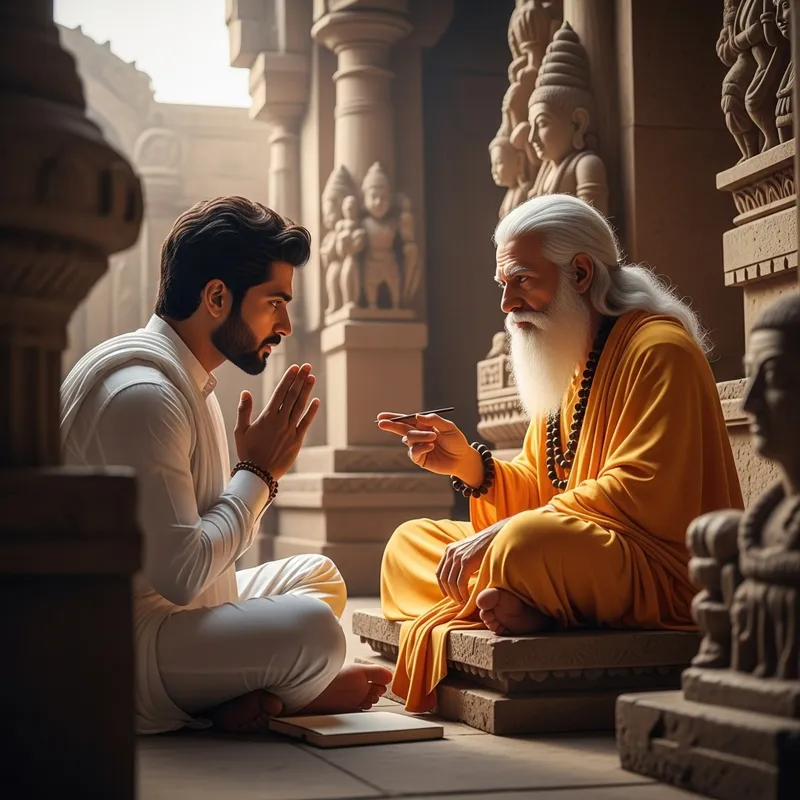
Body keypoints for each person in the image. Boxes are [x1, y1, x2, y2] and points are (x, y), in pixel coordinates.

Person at [377, 194, 743, 713]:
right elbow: (542, 480)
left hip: (652, 566)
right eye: (502, 285)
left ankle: (525, 591)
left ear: (581, 273)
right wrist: (469, 465)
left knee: (523, 543)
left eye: (522, 280)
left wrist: (503, 534)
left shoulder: (660, 350)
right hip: (573, 547)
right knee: (408, 544)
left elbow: (642, 488)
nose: (506, 303)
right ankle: (526, 600)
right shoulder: (571, 356)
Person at [61, 197, 391, 735]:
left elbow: (200, 557)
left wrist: (257, 477)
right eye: (274, 302)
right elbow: (184, 576)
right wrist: (257, 476)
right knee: (316, 631)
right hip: (121, 649)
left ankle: (236, 698)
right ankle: (278, 695)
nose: (285, 323)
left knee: (318, 577)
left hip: (171, 618)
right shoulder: (145, 395)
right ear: (217, 296)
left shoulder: (188, 380)